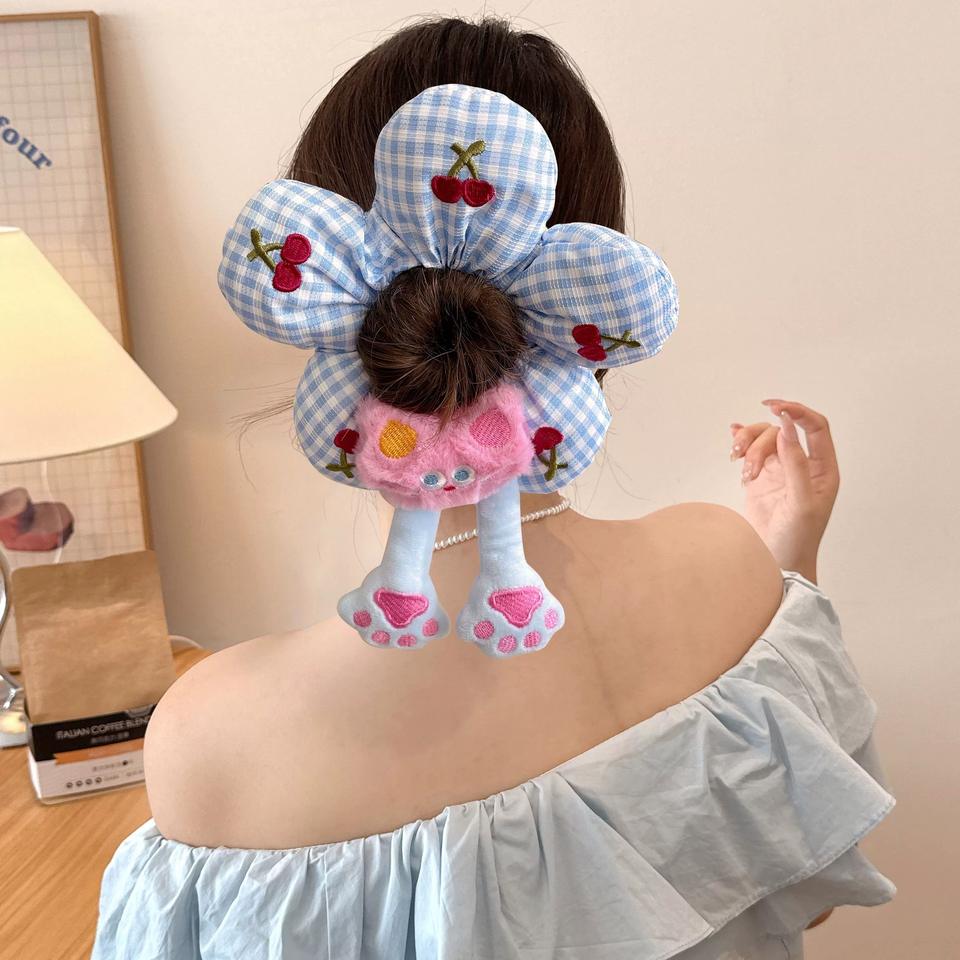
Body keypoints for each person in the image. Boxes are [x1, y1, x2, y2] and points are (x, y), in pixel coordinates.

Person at [91, 16, 895, 960]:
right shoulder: (727, 563)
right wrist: (785, 567)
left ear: (318, 305)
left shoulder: (215, 738)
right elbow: (797, 896)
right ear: (594, 291)